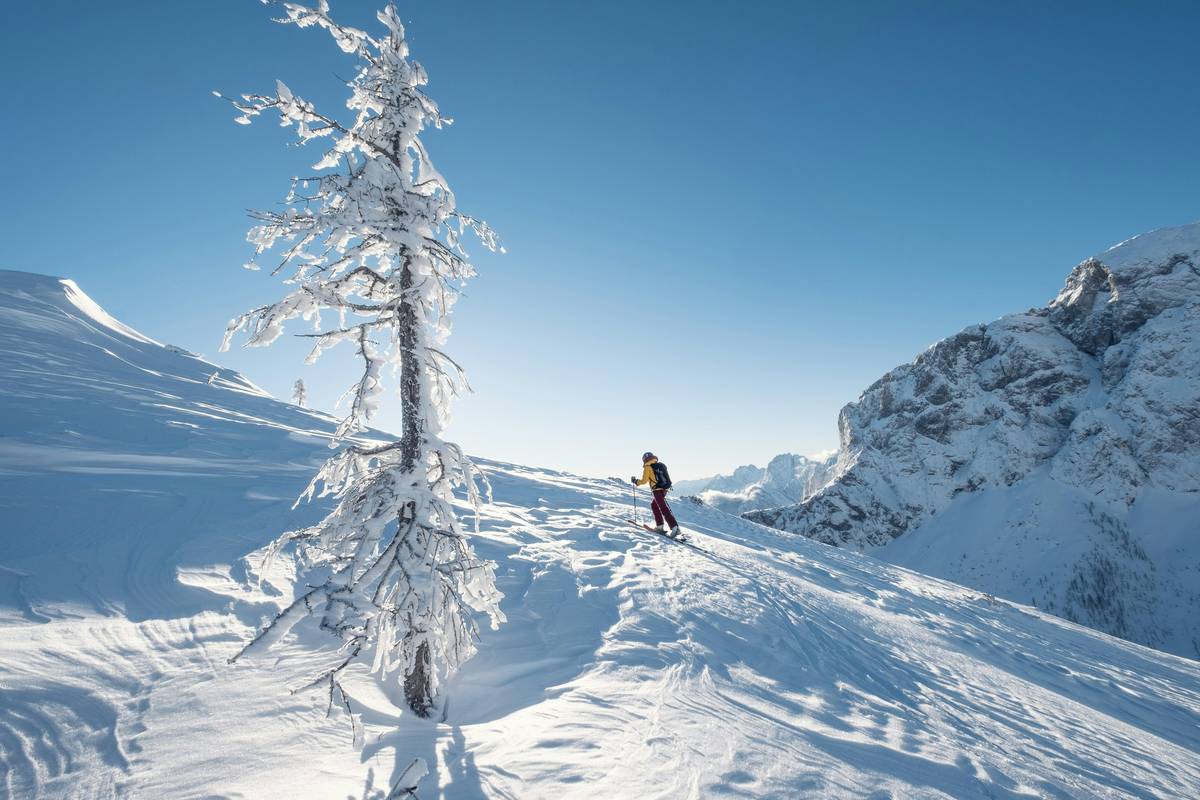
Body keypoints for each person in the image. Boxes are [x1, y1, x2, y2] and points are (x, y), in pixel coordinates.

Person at [632, 451, 681, 538]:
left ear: (644, 459)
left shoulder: (647, 467)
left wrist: (636, 481)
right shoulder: (660, 465)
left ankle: (674, 527)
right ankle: (660, 526)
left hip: (656, 490)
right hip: (664, 489)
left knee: (663, 507)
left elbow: (644, 481)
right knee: (654, 505)